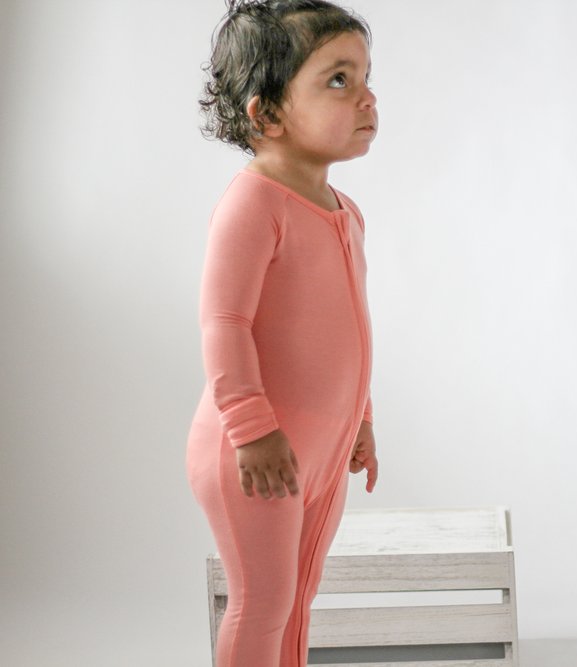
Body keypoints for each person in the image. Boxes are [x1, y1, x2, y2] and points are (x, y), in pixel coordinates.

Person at [186, 2, 379, 665]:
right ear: (265, 114)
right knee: (263, 601)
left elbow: (348, 330)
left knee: (299, 591)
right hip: (255, 450)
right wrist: (250, 425)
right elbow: (224, 323)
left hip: (319, 448)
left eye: (364, 76)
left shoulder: (344, 212)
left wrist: (361, 419)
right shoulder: (252, 205)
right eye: (337, 80)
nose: (367, 97)